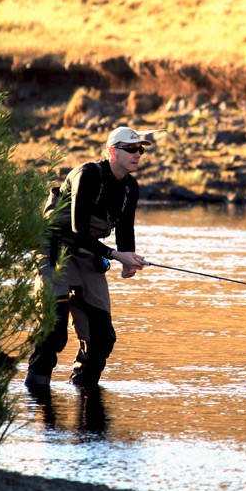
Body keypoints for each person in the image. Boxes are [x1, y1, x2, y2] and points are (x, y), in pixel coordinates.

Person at [25, 126, 149, 389]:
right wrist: (115, 255)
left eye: (140, 149)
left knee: (102, 339)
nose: (137, 154)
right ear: (112, 151)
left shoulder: (131, 188)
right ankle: (37, 389)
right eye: (131, 148)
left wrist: (129, 261)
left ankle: (84, 387)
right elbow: (79, 230)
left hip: (87, 254)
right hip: (53, 250)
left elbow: (125, 228)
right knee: (55, 330)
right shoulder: (87, 175)